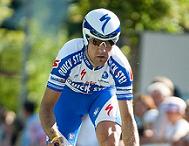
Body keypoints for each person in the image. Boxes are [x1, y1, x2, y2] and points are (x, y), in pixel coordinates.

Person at [39, 8, 139, 146]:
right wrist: (54, 137)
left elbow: (127, 118)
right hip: (69, 98)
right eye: (96, 41)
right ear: (86, 38)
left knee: (110, 139)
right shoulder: (69, 54)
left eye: (109, 42)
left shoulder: (121, 65)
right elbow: (46, 106)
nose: (103, 50)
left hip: (102, 96)